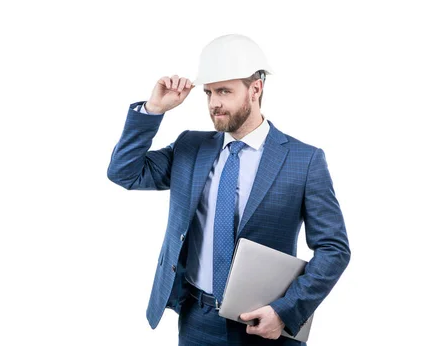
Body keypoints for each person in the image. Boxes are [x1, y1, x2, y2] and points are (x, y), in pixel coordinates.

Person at [107, 34, 351, 345]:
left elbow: (334, 249)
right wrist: (153, 109)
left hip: (265, 326)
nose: (214, 104)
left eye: (224, 91)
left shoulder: (304, 160)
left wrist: (285, 311)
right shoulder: (190, 147)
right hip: (196, 320)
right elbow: (124, 172)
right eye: (208, 92)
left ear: (255, 89)